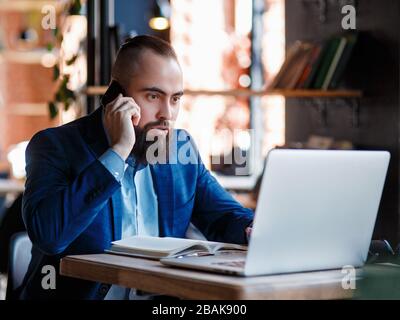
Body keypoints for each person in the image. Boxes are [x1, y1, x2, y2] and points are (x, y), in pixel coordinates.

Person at [19, 35, 254, 300]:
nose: (167, 114)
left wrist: (254, 230)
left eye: (175, 99)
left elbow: (225, 217)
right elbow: (49, 236)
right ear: (116, 96)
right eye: (153, 96)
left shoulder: (180, 150)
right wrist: (117, 152)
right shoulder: (55, 146)